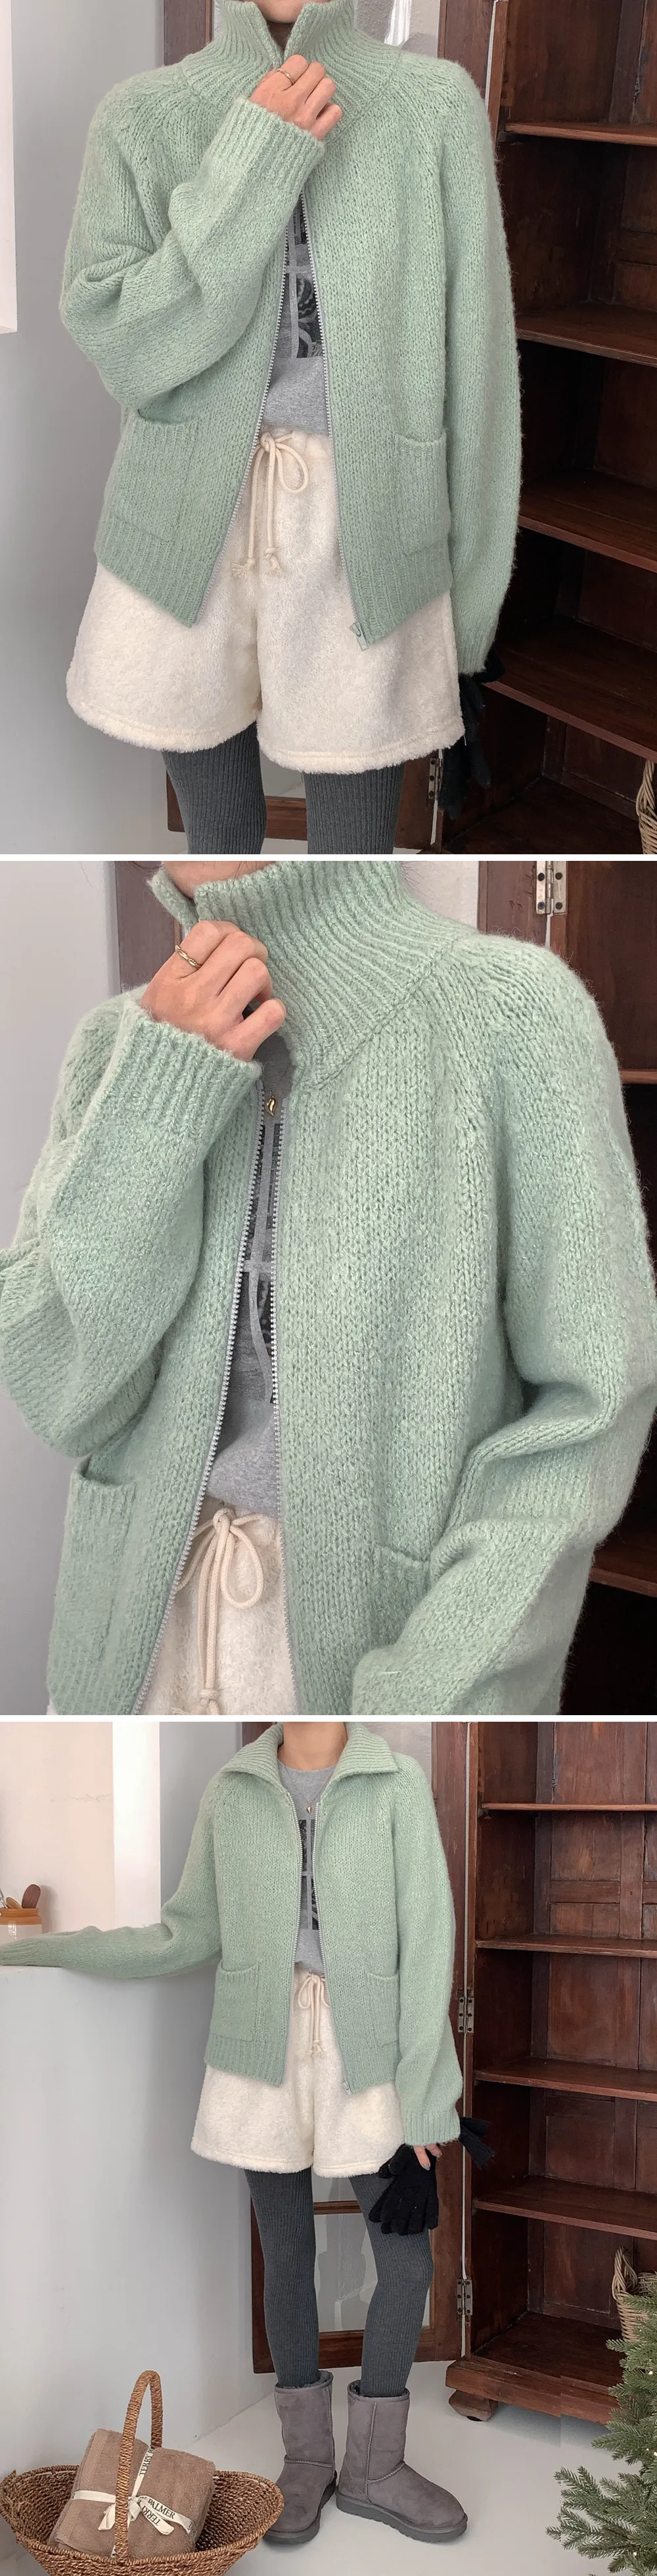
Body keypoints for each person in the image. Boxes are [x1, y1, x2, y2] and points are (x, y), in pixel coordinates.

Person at [1, 855, 657, 1720]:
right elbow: (63, 1397)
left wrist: (428, 1694)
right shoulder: (118, 1046)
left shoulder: (511, 1012)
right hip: (123, 1653)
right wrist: (162, 1082)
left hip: (395, 1654)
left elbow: (589, 1408)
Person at [58, 0, 522, 854]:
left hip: (368, 529)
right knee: (221, 844)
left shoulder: (434, 107)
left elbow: (479, 365)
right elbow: (126, 346)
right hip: (181, 530)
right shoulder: (141, 116)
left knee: (354, 854)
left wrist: (471, 606)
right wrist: (255, 154)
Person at [1, 1717, 468, 2546]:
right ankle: (307, 2459)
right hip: (260, 2055)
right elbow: (187, 1931)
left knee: (405, 2259)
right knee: (286, 2252)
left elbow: (429, 1941)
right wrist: (34, 1950)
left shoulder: (395, 1784)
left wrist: (430, 2097)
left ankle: (375, 2468)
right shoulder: (233, 1789)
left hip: (372, 2056)